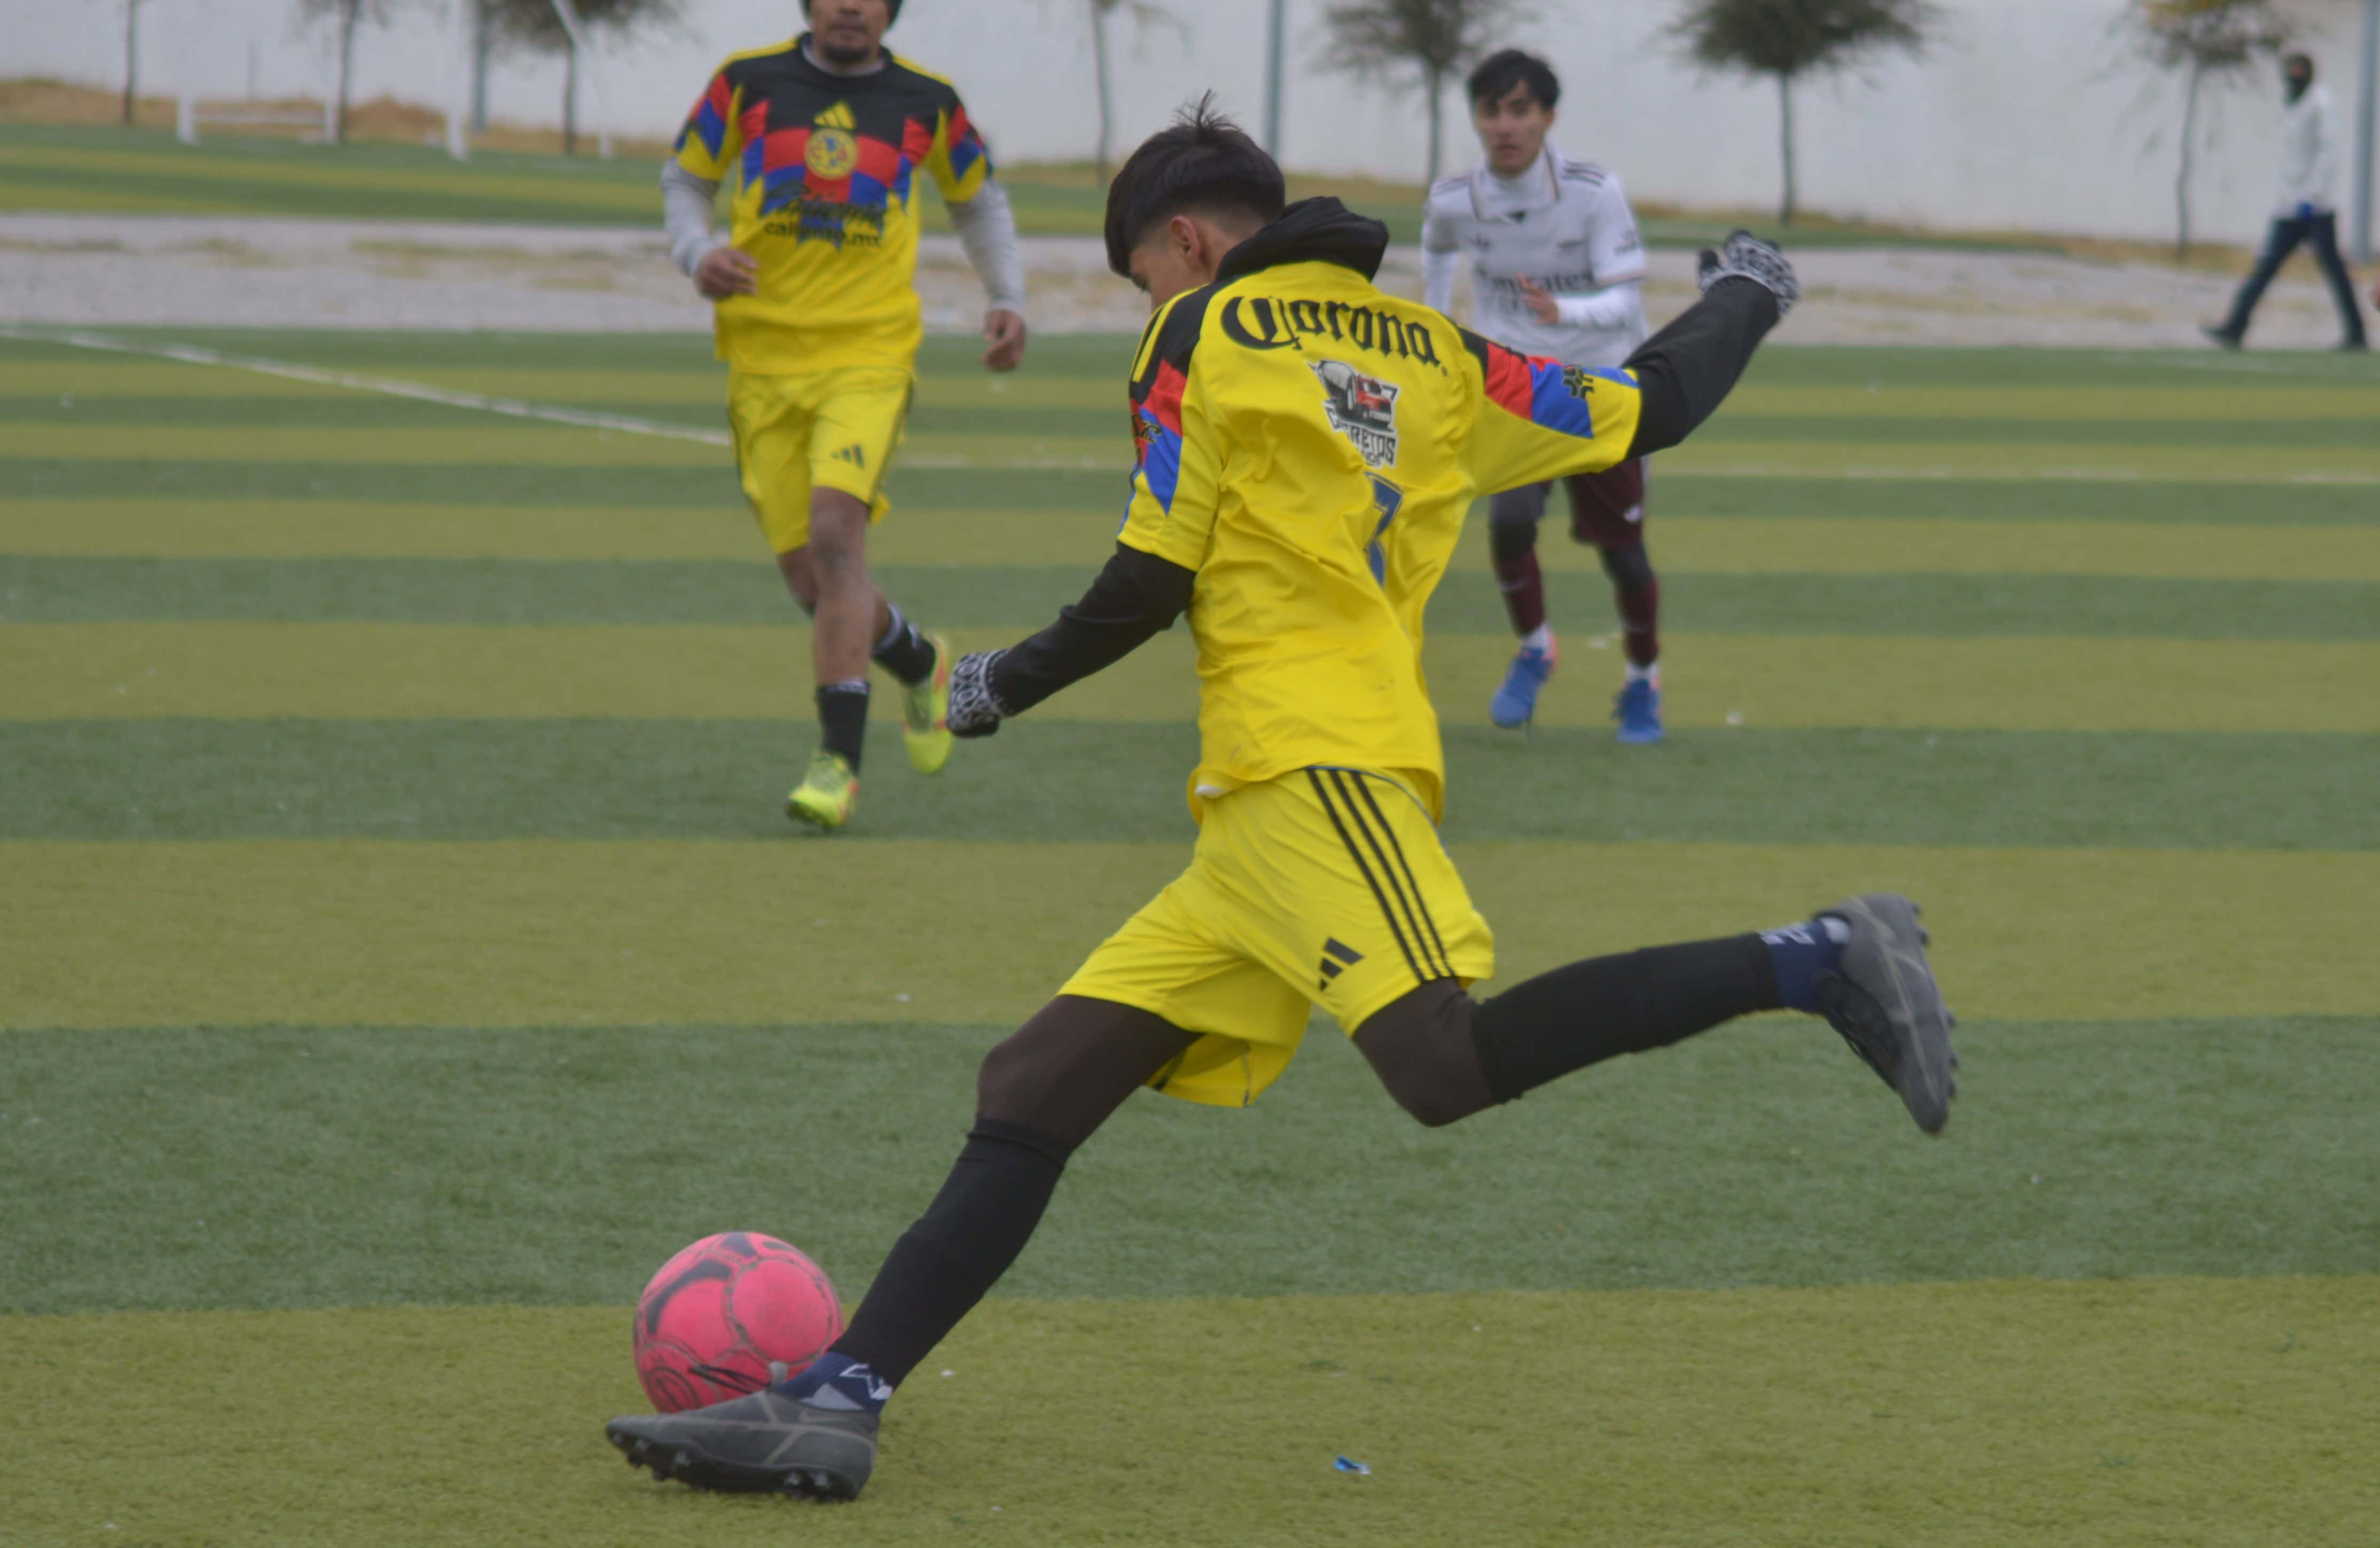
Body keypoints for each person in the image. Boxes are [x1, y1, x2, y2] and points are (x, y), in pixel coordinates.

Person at [604, 103, 1956, 1501]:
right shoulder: (1439, 352)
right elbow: (1648, 407)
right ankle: (840, 1397)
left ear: (1183, 242)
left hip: (1314, 770)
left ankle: (1820, 958)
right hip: (1263, 809)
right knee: (1034, 1084)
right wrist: (1746, 290)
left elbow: (1151, 573)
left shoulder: (1198, 338)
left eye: (1143, 273)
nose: (1149, 298)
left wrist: (1001, 682)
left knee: (1438, 1064)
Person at [662, 0, 1031, 829]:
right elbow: (685, 179)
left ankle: (836, 767)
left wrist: (1008, 298)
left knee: (838, 535)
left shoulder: (926, 101)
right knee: (814, 583)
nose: (852, 3)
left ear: (889, 7)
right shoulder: (746, 84)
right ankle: (920, 664)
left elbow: (977, 201)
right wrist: (694, 251)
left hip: (869, 353)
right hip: (761, 361)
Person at [1422, 49, 1664, 740]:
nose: (1505, 125)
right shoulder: (1454, 199)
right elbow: (1437, 245)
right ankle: (1536, 648)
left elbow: (1625, 304)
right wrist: (1439, 322)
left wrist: (1568, 315)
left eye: (1520, 109)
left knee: (1623, 556)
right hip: (1517, 387)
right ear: (1477, 118)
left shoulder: (1593, 192)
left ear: (1548, 117)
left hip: (1600, 389)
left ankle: (1643, 681)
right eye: (1491, 110)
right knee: (1509, 525)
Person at [2204, 52, 2368, 352]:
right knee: (2266, 267)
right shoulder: (2292, 102)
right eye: (2289, 71)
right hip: (2289, 206)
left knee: (2334, 272)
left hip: (2315, 208)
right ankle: (2235, 326)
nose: (2293, 76)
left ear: (2308, 72)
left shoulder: (2321, 103)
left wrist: (2312, 195)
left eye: (2298, 71)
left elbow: (2328, 153)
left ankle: (2356, 334)